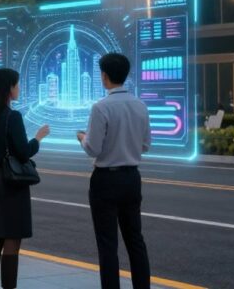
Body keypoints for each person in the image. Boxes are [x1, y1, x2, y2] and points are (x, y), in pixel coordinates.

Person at [77, 53, 152, 289]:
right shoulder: (140, 105)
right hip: (132, 177)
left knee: (108, 244)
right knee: (135, 240)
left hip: (105, 181)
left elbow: (93, 148)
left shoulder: (101, 107)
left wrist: (81, 138)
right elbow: (146, 144)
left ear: (105, 76)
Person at [0, 68, 50, 289]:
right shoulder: (13, 116)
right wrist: (38, 138)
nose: (19, 89)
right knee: (12, 239)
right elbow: (23, 152)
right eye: (17, 85)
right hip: (12, 183)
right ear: (9, 88)